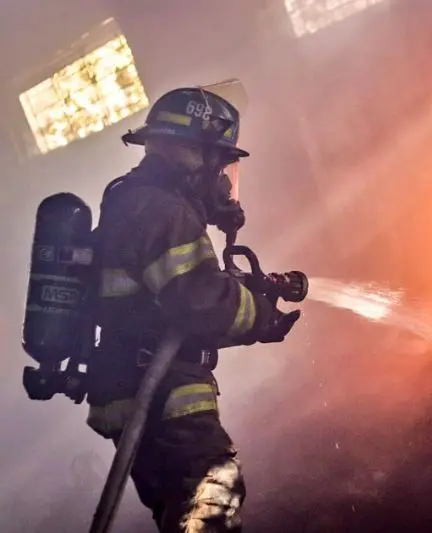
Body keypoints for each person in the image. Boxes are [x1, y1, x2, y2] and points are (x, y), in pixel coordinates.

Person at [85, 87, 300, 532]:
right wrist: (261, 316)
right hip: (159, 392)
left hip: (144, 387)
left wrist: (245, 297)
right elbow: (200, 300)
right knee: (213, 498)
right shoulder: (160, 208)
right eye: (218, 162)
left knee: (185, 510)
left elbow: (174, 300)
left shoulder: (140, 202)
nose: (223, 177)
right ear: (187, 152)